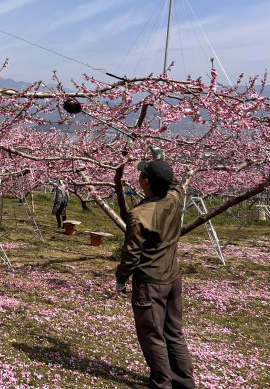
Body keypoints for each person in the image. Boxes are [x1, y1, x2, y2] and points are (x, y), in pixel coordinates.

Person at [115, 159, 195, 389]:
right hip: (172, 277)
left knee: (152, 335)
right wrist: (161, 159)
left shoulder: (140, 214)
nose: (138, 177)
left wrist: (121, 279)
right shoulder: (175, 199)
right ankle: (185, 382)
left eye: (141, 175)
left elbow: (131, 254)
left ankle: (161, 383)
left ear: (146, 182)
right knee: (174, 332)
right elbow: (177, 184)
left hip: (150, 282)